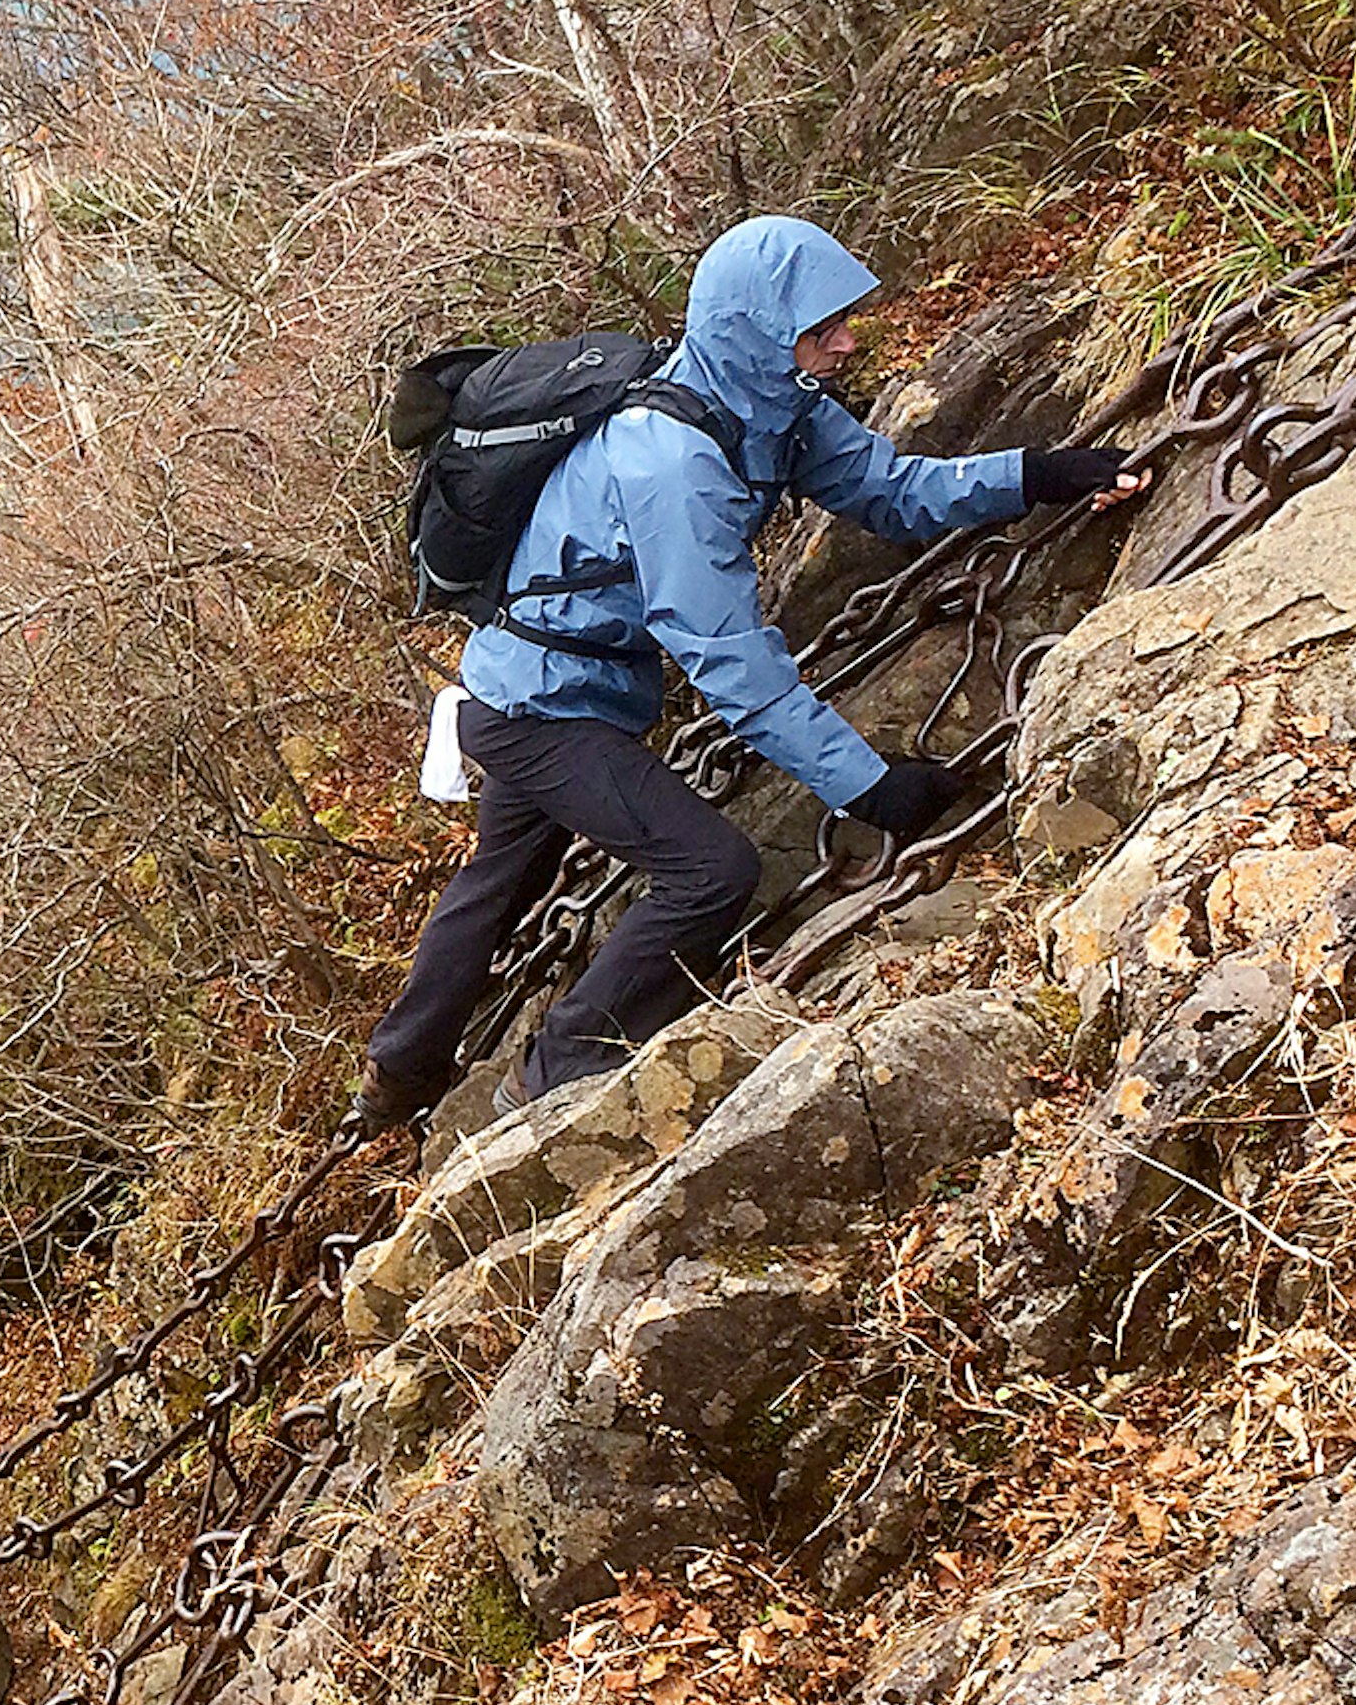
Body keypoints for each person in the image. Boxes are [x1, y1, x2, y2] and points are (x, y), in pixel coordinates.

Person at [351, 217, 1140, 1130]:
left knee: (501, 881)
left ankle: (399, 1069)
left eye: (840, 321)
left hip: (546, 688)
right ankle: (555, 1073)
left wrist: (1041, 472)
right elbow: (731, 661)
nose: (846, 340)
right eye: (820, 328)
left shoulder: (773, 408)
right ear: (756, 331)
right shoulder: (672, 462)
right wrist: (870, 789)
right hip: (540, 711)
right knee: (710, 870)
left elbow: (893, 490)